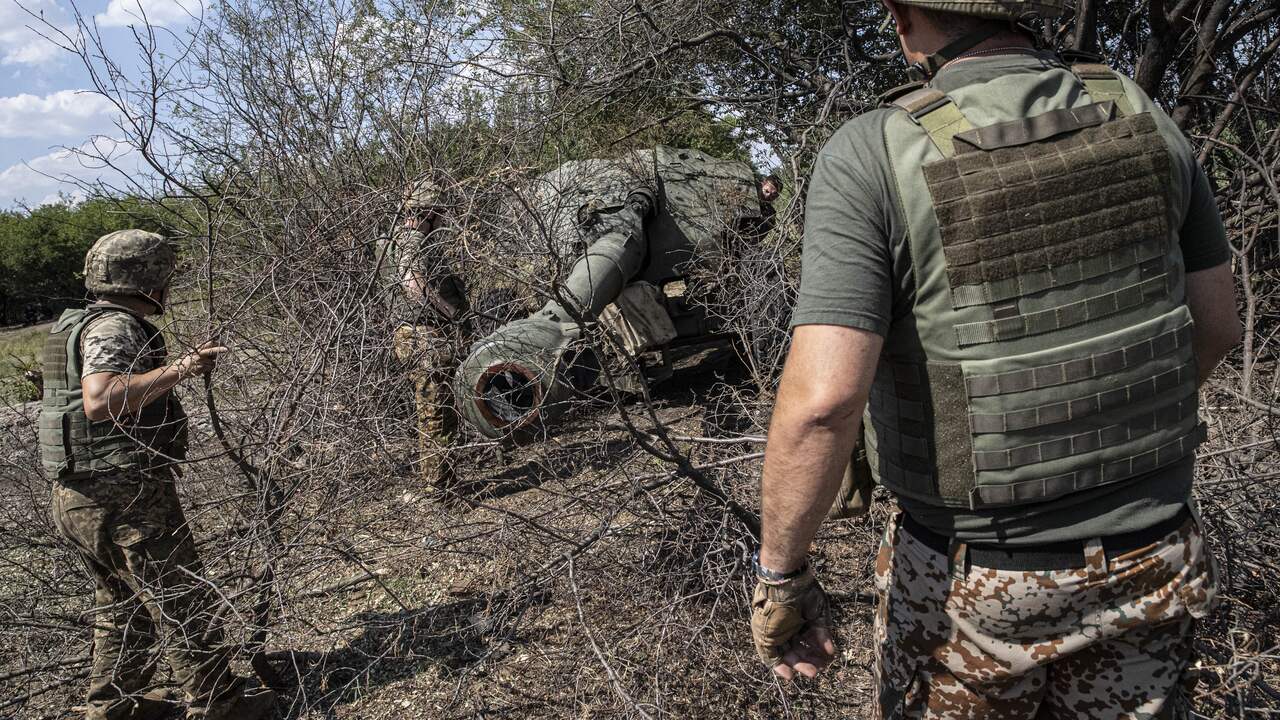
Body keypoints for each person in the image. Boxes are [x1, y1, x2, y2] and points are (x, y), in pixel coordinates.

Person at [749, 1, 1242, 717]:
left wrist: (782, 576)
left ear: (902, 18)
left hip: (973, 583)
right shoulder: (1141, 111)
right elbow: (1218, 325)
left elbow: (823, 405)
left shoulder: (874, 152)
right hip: (1154, 557)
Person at [38, 230, 276, 720]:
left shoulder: (76, 326)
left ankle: (114, 707)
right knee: (180, 598)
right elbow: (102, 400)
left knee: (121, 608)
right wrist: (183, 368)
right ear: (148, 280)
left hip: (79, 494)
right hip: (122, 495)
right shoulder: (115, 328)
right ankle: (219, 705)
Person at [381, 177, 471, 491]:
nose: (444, 218)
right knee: (438, 415)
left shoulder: (392, 239)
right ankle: (441, 489)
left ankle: (440, 483)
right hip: (425, 338)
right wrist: (450, 313)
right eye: (440, 212)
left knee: (432, 412)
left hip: (412, 336)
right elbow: (412, 282)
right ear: (429, 212)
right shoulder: (413, 239)